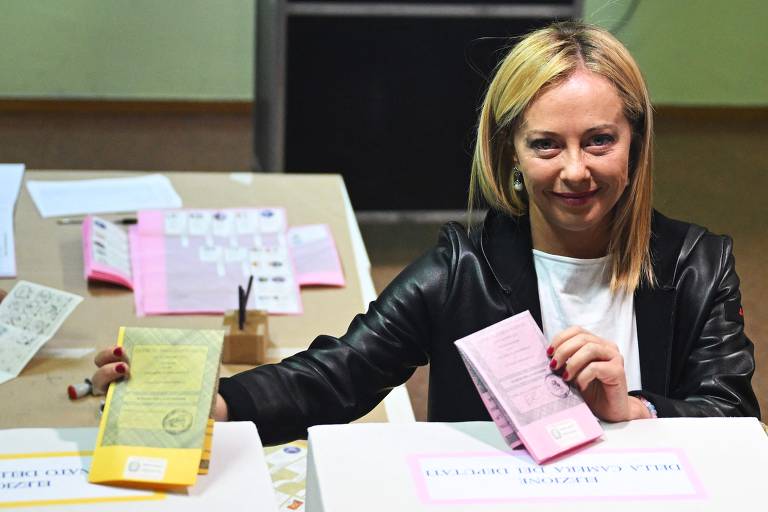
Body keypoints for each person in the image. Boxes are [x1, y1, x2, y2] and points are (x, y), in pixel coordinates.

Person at [92, 21, 760, 444]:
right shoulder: (460, 271)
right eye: (547, 146)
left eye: (600, 141)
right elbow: (340, 375)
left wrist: (632, 409)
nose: (576, 171)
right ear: (511, 156)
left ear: (635, 143)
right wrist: (204, 400)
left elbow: (732, 417)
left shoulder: (697, 264)